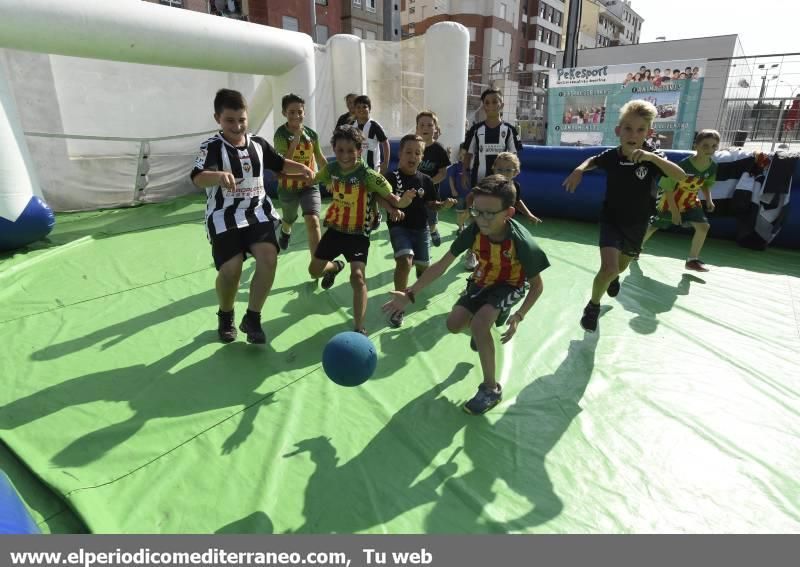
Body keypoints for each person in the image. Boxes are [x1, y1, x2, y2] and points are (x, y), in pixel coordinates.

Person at [383, 174, 549, 415]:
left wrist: (520, 316)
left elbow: (537, 286)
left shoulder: (522, 242)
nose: (481, 219)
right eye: (476, 211)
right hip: (481, 281)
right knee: (453, 324)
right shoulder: (473, 231)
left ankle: (491, 389)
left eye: (489, 213)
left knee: (482, 325)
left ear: (509, 213)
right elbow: (442, 264)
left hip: (511, 284)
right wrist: (410, 293)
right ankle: (483, 330)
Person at [191, 89, 314, 344]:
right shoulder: (212, 147)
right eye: (230, 121)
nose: (237, 126)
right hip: (224, 216)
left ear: (247, 117)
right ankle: (226, 315)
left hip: (257, 212)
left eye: (241, 120)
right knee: (231, 270)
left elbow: (279, 164)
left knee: (269, 258)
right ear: (218, 119)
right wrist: (218, 177)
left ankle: (253, 317)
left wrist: (301, 168)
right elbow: (198, 177)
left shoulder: (258, 143)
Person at [562, 100, 687, 333]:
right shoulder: (613, 155)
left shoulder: (653, 156)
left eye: (640, 130)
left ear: (649, 133)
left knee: (619, 268)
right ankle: (593, 307)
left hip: (638, 225)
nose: (633, 134)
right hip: (611, 220)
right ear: (618, 131)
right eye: (628, 128)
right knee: (608, 269)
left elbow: (680, 176)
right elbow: (593, 161)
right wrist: (579, 170)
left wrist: (653, 159)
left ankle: (614, 278)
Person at [309, 127, 414, 334]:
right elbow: (314, 178)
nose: (345, 155)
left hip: (358, 234)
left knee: (357, 277)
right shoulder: (331, 170)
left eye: (350, 150)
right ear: (334, 149)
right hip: (335, 230)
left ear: (359, 150)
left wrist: (401, 203)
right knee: (314, 272)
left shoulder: (368, 175)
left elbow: (392, 198)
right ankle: (335, 267)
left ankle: (359, 327)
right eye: (340, 150)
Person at [384, 134, 455, 328]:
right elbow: (378, 196)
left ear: (422, 157)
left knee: (423, 268)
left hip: (421, 229)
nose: (412, 156)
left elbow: (432, 204)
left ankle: (417, 281)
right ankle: (399, 306)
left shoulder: (425, 180)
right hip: (400, 227)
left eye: (417, 153)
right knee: (404, 261)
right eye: (408, 151)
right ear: (400, 153)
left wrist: (443, 205)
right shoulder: (391, 177)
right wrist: (392, 209)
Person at [462, 87, 522, 269]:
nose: (491, 105)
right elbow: (468, 154)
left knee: (502, 217)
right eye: (487, 102)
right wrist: (464, 173)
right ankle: (471, 252)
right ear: (484, 106)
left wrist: (512, 176)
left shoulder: (509, 130)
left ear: (501, 104)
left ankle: (505, 254)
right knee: (476, 216)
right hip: (480, 181)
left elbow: (514, 157)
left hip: (502, 185)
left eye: (495, 101)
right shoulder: (476, 130)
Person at [641, 130, 719, 272]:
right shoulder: (684, 165)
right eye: (705, 146)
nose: (710, 150)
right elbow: (668, 188)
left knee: (703, 227)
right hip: (669, 201)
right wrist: (675, 212)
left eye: (714, 146)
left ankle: (692, 260)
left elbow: (706, 184)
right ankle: (636, 248)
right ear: (696, 146)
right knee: (654, 226)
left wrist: (709, 200)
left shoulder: (712, 166)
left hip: (690, 201)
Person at [273, 93, 328, 256]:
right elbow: (283, 166)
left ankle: (317, 262)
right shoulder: (280, 135)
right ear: (284, 113)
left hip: (310, 185)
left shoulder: (311, 135)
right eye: (291, 112)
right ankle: (286, 229)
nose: (296, 115)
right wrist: (295, 142)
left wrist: (333, 175)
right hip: (288, 187)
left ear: (304, 112)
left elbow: (319, 157)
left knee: (313, 220)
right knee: (289, 218)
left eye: (300, 111)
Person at [349, 95, 390, 231]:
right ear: (354, 109)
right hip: (356, 167)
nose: (361, 110)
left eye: (364, 107)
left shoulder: (374, 126)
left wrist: (385, 163)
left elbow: (385, 143)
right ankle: (363, 215)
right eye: (358, 107)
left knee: (370, 192)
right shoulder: (352, 126)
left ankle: (375, 215)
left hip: (372, 167)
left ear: (370, 109)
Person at [415, 111, 451, 247]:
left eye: (429, 125)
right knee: (416, 217)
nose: (425, 128)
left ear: (435, 128)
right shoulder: (413, 147)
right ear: (417, 128)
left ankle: (434, 231)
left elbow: (443, 173)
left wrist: (428, 184)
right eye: (422, 125)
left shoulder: (438, 149)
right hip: (414, 191)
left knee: (431, 217)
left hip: (431, 192)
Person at [447, 144, 470, 234]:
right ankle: (460, 228)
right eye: (461, 154)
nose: (462, 157)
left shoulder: (472, 167)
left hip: (470, 195)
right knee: (460, 212)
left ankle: (461, 223)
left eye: (465, 155)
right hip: (460, 194)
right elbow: (450, 178)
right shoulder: (456, 166)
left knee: (469, 212)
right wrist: (453, 189)